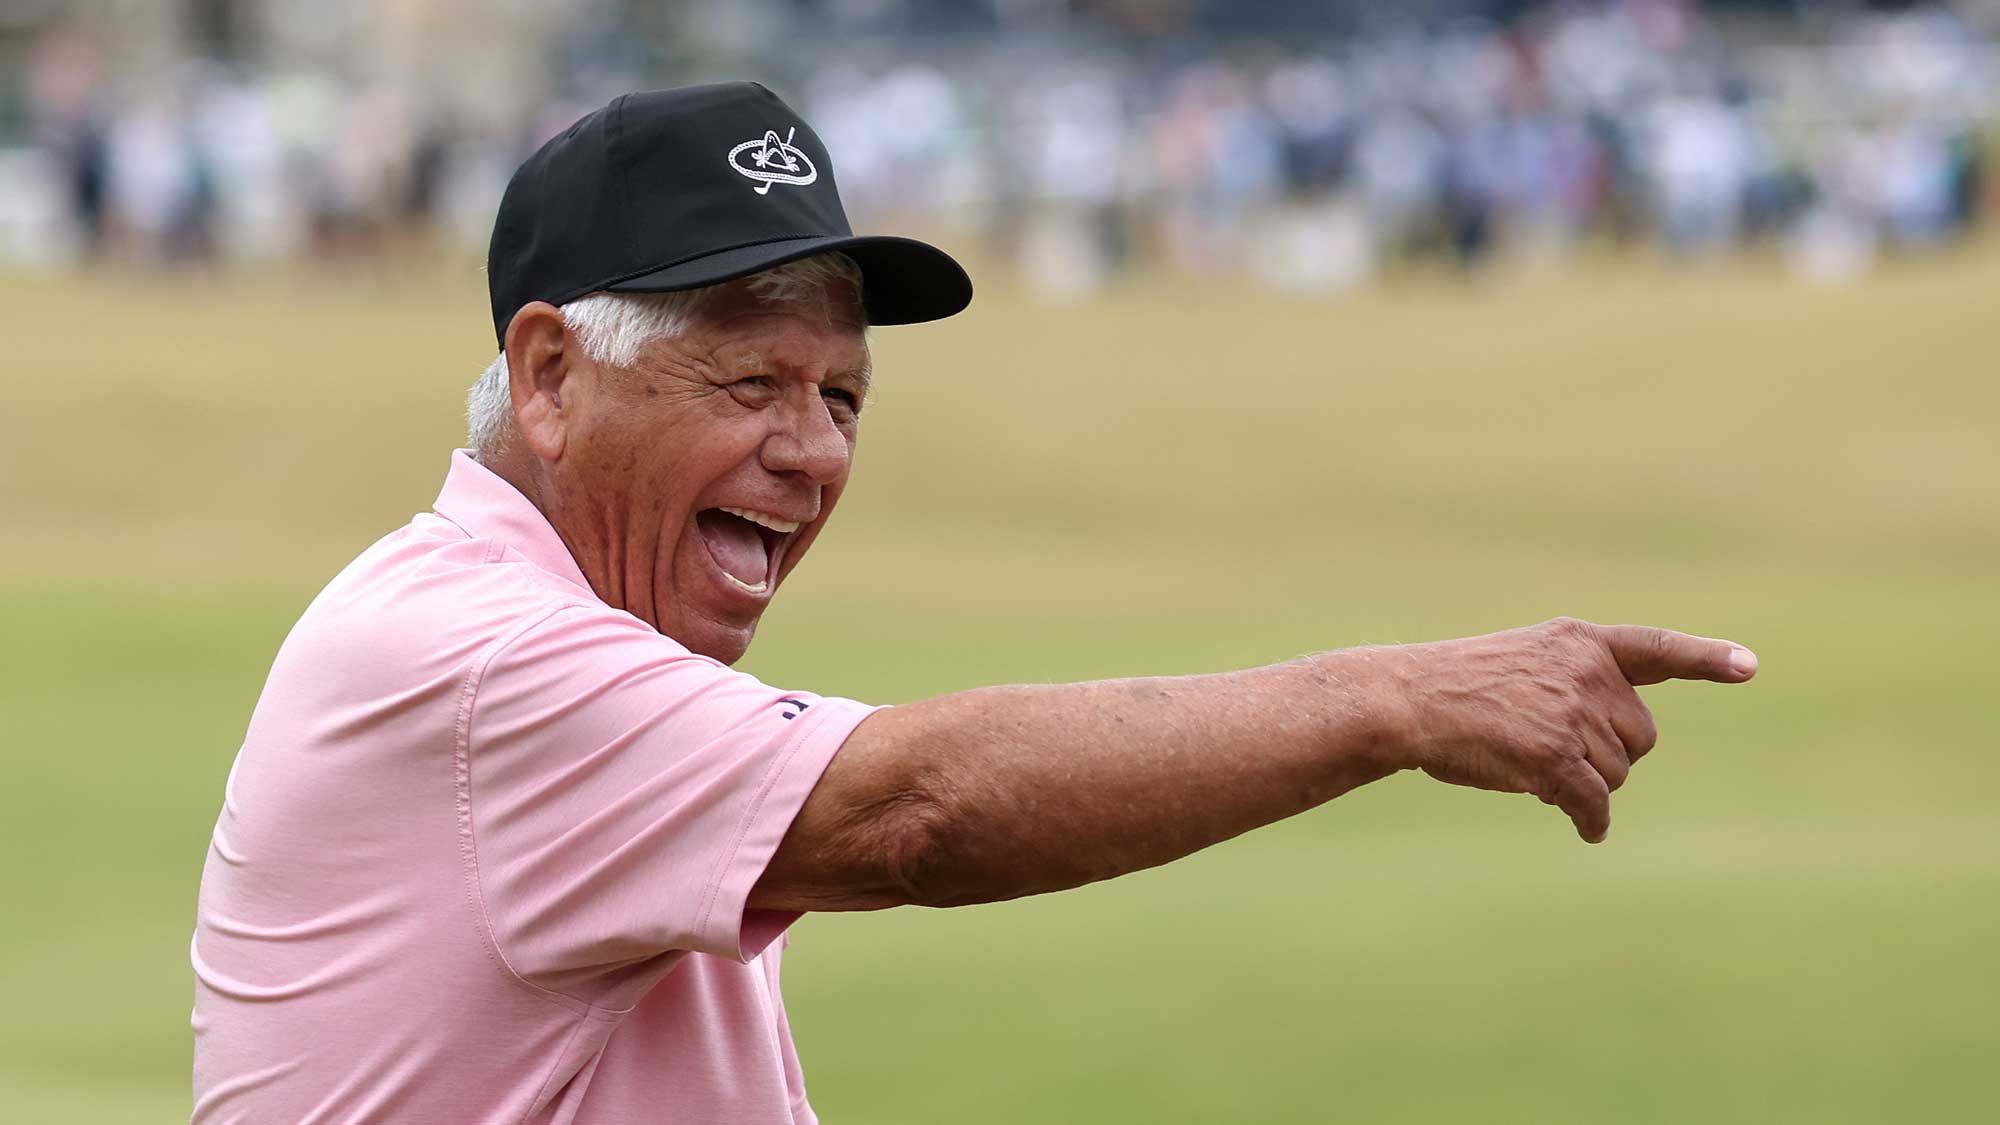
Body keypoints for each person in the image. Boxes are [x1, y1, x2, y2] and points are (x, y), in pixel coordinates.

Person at [189, 82, 1758, 1123]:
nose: (808, 454)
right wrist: (1392, 700)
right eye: (752, 380)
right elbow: (917, 812)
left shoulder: (544, 649)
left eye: (846, 399)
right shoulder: (471, 662)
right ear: (549, 379)